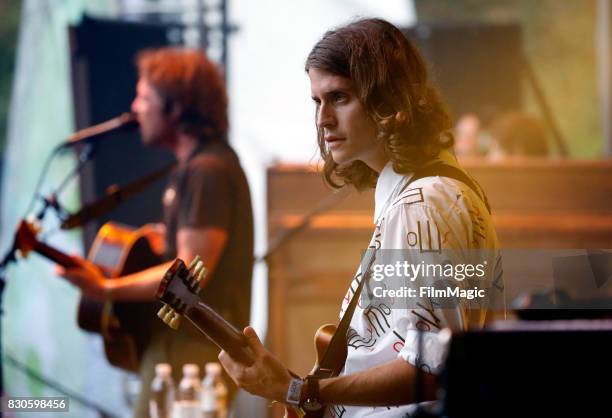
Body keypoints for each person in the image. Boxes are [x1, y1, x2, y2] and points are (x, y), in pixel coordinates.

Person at [218, 18, 504, 417]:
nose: (322, 119)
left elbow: (432, 367)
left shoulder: (421, 203)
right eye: (317, 101)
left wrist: (300, 390)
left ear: (389, 101)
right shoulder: (439, 188)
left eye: (339, 97)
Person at [56, 48, 254, 418]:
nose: (135, 107)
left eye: (145, 97)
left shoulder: (207, 170)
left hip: (191, 353)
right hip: (182, 349)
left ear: (175, 107)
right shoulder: (195, 168)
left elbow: (188, 276)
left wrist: (104, 289)